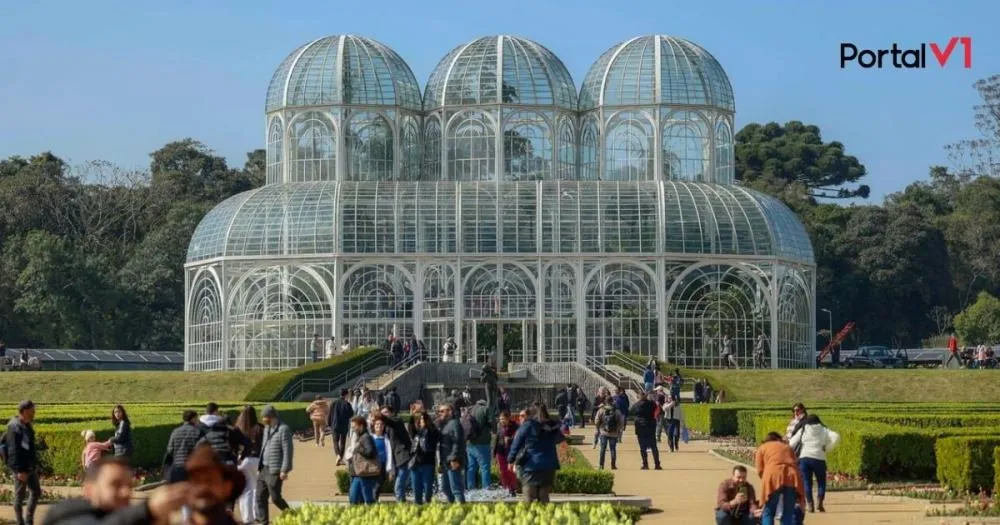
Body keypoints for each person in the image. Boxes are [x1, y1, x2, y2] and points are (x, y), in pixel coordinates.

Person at [43, 457, 190, 525]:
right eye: (115, 485)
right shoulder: (67, 514)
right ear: (88, 490)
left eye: (129, 486)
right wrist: (147, 509)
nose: (126, 492)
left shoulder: (123, 518)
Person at [507, 403, 563, 503]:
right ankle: (545, 517)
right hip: (549, 466)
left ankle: (530, 518)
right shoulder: (552, 425)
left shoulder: (528, 425)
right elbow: (559, 439)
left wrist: (511, 460)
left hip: (531, 466)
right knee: (544, 498)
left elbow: (516, 443)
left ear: (531, 413)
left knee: (529, 497)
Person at [789, 415, 839, 513]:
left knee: (806, 482)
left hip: (805, 457)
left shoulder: (804, 429)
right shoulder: (824, 429)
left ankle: (810, 505)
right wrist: (827, 448)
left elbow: (791, 443)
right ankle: (819, 503)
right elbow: (836, 436)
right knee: (821, 482)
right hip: (819, 458)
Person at [755, 432, 806, 525]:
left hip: (773, 476)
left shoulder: (762, 447)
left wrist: (766, 481)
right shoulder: (787, 447)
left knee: (768, 511)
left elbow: (759, 470)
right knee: (788, 512)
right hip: (792, 477)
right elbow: (795, 462)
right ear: (779, 439)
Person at [256, 405, 292, 525]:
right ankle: (263, 522)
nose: (263, 420)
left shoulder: (284, 429)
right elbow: (263, 447)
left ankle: (293, 515)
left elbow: (288, 451)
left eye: (265, 417)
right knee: (260, 497)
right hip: (263, 468)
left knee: (275, 498)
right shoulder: (267, 428)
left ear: (272, 416)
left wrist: (284, 470)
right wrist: (259, 465)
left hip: (275, 469)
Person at [9, 400, 40, 525]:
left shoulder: (27, 424)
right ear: (25, 411)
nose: (34, 412)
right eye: (33, 410)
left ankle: (29, 519)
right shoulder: (14, 426)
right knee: (19, 497)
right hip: (21, 469)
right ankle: (20, 522)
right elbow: (13, 451)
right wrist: (18, 470)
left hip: (30, 467)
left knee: (36, 492)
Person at [234, 405, 262, 525]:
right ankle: (256, 514)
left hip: (241, 460)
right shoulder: (260, 427)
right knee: (255, 488)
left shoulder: (238, 427)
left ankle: (246, 517)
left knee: (245, 490)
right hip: (257, 459)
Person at [379, 405, 412, 503]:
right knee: (398, 486)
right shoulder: (386, 427)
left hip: (403, 456)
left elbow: (390, 421)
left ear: (392, 413)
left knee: (398, 486)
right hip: (395, 459)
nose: (384, 415)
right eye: (382, 413)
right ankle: (402, 505)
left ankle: (401, 505)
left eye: (386, 412)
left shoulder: (396, 421)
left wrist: (379, 415)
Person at [437, 403, 467, 503]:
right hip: (446, 462)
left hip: (452, 461)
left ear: (449, 412)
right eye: (439, 411)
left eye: (442, 411)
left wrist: (455, 459)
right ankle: (453, 506)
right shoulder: (445, 425)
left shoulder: (455, 423)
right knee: (445, 488)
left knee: (456, 488)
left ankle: (461, 508)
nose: (439, 413)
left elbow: (458, 442)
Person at [346, 416, 380, 505]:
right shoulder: (359, 437)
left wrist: (358, 448)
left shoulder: (365, 437)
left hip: (362, 473)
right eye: (352, 427)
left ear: (361, 426)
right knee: (355, 498)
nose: (353, 429)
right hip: (357, 472)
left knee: (356, 498)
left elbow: (370, 452)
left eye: (354, 427)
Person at [408, 411, 440, 504]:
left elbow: (433, 439)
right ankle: (418, 507)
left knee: (428, 489)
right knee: (416, 489)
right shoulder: (416, 433)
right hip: (415, 463)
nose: (421, 420)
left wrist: (426, 423)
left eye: (423, 418)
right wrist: (412, 416)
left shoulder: (432, 431)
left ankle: (427, 505)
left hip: (427, 463)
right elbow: (410, 427)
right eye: (419, 419)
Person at [163, 410, 204, 478]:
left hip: (177, 467)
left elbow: (170, 450)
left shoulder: (175, 431)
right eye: (197, 418)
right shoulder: (198, 432)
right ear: (193, 419)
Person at [465, 399, 492, 491]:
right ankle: (486, 488)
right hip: (482, 443)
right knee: (485, 467)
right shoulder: (485, 409)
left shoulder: (469, 409)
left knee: (471, 467)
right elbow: (491, 423)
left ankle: (471, 487)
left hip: (469, 443)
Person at [631, 391, 661, 470]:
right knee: (654, 446)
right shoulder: (652, 403)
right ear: (646, 396)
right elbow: (656, 408)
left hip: (640, 428)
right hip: (650, 426)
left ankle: (645, 464)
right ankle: (657, 464)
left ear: (638, 396)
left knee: (642, 447)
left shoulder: (636, 405)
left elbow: (630, 412)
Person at [593, 396, 624, 470]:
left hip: (603, 432)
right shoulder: (616, 411)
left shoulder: (601, 410)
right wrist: (619, 430)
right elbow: (621, 422)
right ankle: (613, 465)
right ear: (612, 401)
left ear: (605, 401)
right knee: (613, 449)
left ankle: (601, 465)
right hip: (614, 433)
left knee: (603, 449)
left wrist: (598, 428)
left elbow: (596, 421)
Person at [494, 409, 520, 496]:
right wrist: (494, 452)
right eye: (500, 419)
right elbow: (497, 439)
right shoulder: (499, 426)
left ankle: (512, 488)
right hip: (500, 451)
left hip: (510, 451)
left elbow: (518, 438)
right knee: (503, 471)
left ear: (508, 418)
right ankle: (506, 487)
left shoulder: (515, 426)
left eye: (503, 419)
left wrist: (510, 439)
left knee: (510, 471)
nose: (501, 421)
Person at [369, 415, 395, 502]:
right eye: (377, 425)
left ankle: (374, 499)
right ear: (374, 426)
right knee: (373, 485)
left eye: (381, 425)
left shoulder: (386, 439)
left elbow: (389, 454)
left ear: (383, 427)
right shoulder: (370, 438)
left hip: (382, 466)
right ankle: (372, 500)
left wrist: (390, 470)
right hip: (372, 465)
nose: (379, 426)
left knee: (379, 484)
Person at [328, 389, 354, 467]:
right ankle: (341, 458)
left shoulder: (333, 403)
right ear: (346, 395)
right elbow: (351, 414)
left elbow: (330, 414)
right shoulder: (347, 404)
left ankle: (338, 455)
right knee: (342, 442)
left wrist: (329, 424)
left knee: (335, 442)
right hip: (344, 425)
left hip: (334, 425)